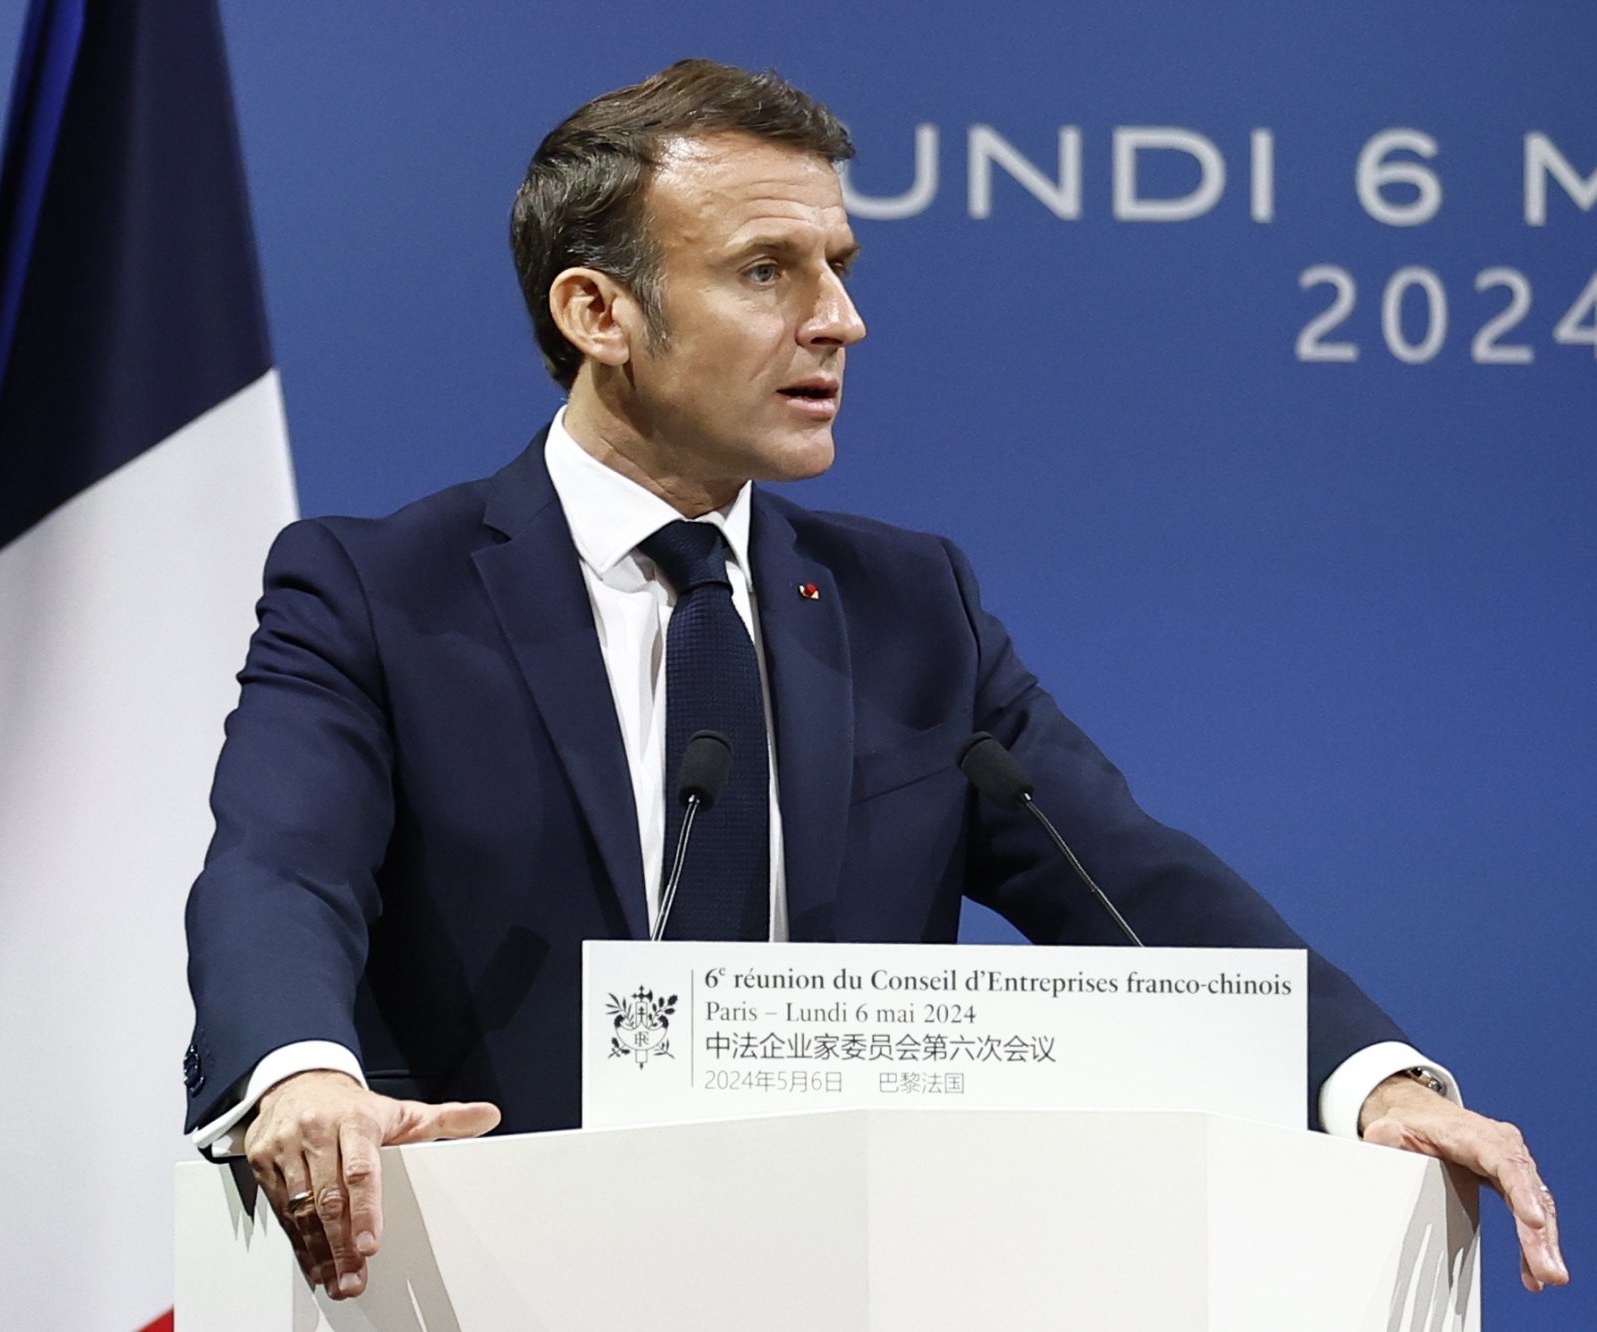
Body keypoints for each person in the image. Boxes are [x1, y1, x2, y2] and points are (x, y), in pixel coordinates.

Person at [182, 60, 1567, 1302]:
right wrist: (303, 1069)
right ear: (598, 311)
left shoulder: (914, 610)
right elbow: (281, 868)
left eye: (839, 265)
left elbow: (1132, 884)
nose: (841, 320)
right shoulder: (379, 591)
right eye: (766, 270)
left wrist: (1372, 1078)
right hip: (490, 1285)